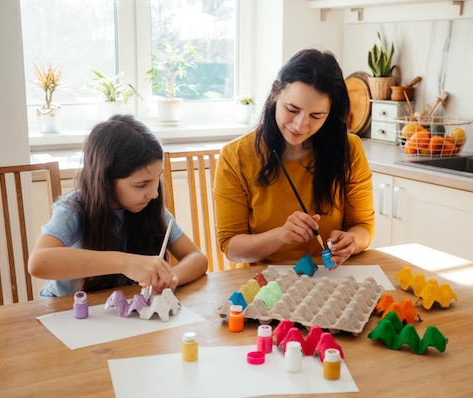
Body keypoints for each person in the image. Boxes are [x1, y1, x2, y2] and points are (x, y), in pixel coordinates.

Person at [213, 49, 375, 267]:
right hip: (266, 284)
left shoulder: (349, 149)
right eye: (292, 109)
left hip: (331, 277)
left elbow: (363, 225)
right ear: (274, 94)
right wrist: (280, 235)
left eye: (316, 115)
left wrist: (353, 241)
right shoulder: (236, 156)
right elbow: (232, 248)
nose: (300, 125)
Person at [29, 114, 208, 297]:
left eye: (157, 178)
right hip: (65, 310)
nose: (154, 193)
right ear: (105, 181)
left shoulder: (150, 207)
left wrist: (170, 278)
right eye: (141, 185)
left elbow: (197, 258)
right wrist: (125, 262)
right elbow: (38, 263)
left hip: (115, 310)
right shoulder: (74, 209)